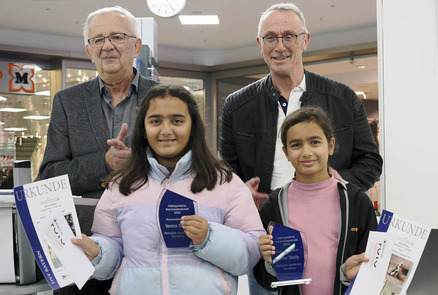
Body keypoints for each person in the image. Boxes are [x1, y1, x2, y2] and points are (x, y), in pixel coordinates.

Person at [218, 5, 382, 292]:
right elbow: (225, 173)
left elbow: (370, 161)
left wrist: (337, 184)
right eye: (270, 38)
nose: (279, 46)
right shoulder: (237, 105)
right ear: (260, 44)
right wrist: (240, 193)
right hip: (268, 238)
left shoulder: (342, 98)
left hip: (333, 234)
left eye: (288, 36)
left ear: (305, 40)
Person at [72, 84, 265, 295]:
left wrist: (209, 238)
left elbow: (251, 252)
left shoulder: (225, 182)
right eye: (155, 121)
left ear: (193, 126)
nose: (166, 130)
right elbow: (114, 247)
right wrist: (99, 252)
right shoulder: (121, 184)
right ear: (144, 129)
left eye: (177, 121)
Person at [38, 6, 159, 294]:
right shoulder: (68, 102)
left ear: (136, 46)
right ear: (89, 52)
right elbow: (49, 177)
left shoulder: (165, 97)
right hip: (81, 248)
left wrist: (139, 165)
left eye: (117, 36)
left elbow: (187, 170)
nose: (107, 46)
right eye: (97, 40)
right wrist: (105, 162)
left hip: (151, 246)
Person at [254, 106, 378, 295]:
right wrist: (271, 264)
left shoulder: (356, 201)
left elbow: (373, 268)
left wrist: (349, 275)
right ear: (286, 152)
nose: (306, 152)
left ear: (330, 145)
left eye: (314, 142)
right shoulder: (274, 205)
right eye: (296, 145)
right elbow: (264, 279)